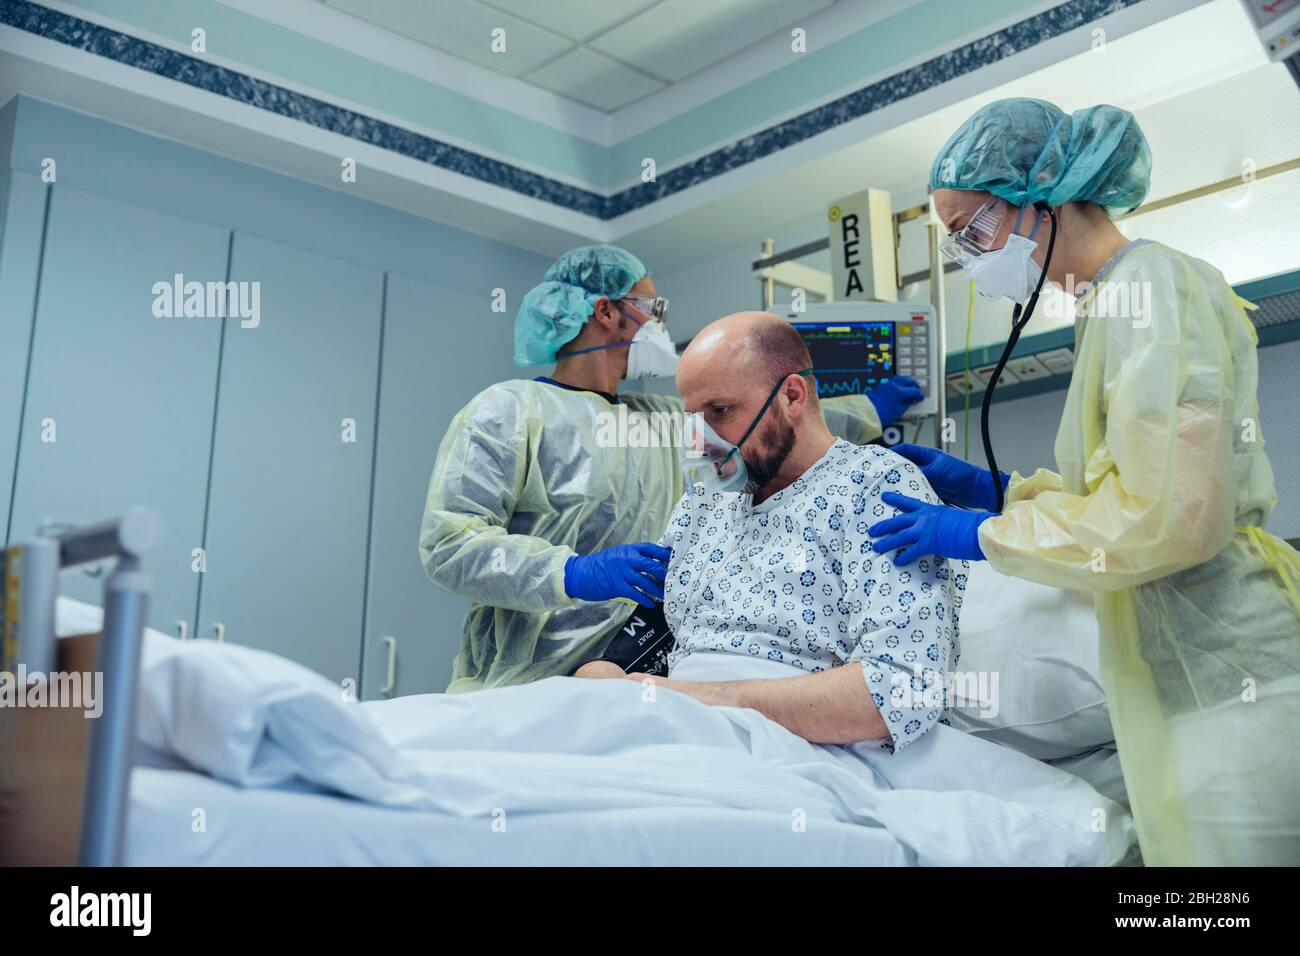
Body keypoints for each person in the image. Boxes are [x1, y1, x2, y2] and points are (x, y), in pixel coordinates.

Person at [868, 98, 1300, 865]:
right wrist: (998, 492)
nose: (971, 256)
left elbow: (1172, 516)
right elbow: (1126, 488)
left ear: (1042, 198)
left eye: (973, 231)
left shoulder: (1152, 288)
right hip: (1174, 654)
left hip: (1231, 660)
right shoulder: (1113, 305)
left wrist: (980, 534)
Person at [421, 245, 919, 692]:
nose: (660, 323)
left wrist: (872, 409)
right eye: (651, 309)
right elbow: (449, 546)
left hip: (636, 682)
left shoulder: (664, 421)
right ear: (606, 311)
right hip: (521, 684)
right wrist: (572, 573)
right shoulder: (510, 410)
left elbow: (773, 422)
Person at [578, 311, 964, 752]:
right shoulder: (705, 503)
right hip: (676, 727)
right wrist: (603, 674)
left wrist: (687, 698)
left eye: (720, 411)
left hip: (804, 748)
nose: (699, 441)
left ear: (792, 397)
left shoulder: (877, 489)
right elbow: (649, 638)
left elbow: (901, 691)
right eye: (693, 417)